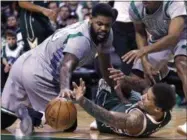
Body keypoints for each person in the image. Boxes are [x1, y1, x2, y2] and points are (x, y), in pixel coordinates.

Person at [1, 3, 117, 135]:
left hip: (22, 62)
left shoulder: (106, 34)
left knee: (4, 119)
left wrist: (115, 88)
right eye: (99, 24)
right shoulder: (82, 39)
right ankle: (33, 116)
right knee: (68, 122)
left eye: (107, 25)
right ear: (90, 19)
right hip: (39, 73)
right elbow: (66, 66)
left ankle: (22, 112)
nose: (103, 28)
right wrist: (64, 89)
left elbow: (106, 67)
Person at [120, 1, 187, 104]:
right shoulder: (136, 6)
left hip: (182, 36)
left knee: (182, 64)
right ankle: (140, 112)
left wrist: (143, 51)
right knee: (133, 82)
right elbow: (140, 32)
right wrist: (144, 61)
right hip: (158, 41)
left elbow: (173, 37)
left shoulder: (174, 2)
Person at [70, 78, 176, 137]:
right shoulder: (166, 113)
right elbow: (147, 86)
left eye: (147, 98)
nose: (143, 97)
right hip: (127, 106)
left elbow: (108, 117)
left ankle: (102, 47)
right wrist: (124, 78)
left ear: (157, 108)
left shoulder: (136, 121)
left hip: (108, 110)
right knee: (123, 81)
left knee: (106, 80)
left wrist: (82, 100)